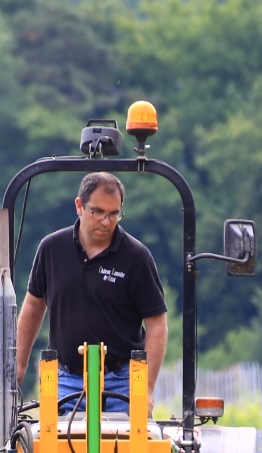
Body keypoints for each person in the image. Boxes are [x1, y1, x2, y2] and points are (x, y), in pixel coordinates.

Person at [14, 172, 168, 417]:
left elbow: (157, 324)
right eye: (98, 211)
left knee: (131, 450)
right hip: (66, 378)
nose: (106, 221)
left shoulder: (136, 257)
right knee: (51, 447)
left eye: (113, 214)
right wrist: (18, 366)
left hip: (123, 379)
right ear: (79, 206)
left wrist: (146, 388)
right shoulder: (52, 249)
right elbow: (33, 306)